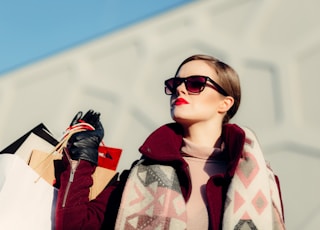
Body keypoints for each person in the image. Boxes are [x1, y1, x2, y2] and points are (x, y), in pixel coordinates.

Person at [55, 54, 285, 230]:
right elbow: (75, 225)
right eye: (175, 84)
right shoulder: (141, 174)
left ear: (224, 103)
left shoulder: (258, 180)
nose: (181, 89)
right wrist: (82, 159)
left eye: (196, 83)